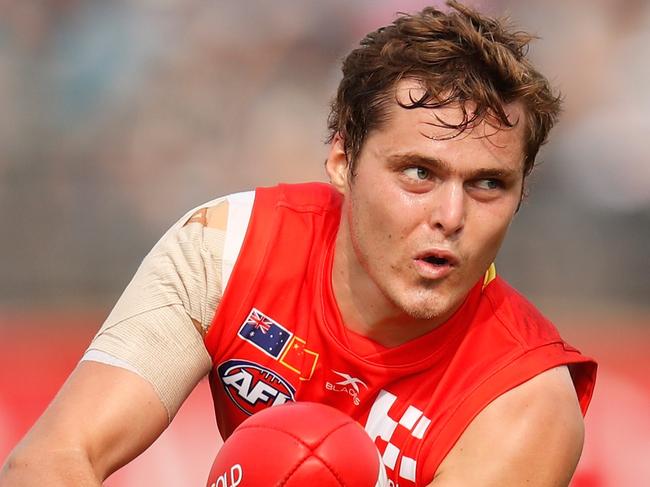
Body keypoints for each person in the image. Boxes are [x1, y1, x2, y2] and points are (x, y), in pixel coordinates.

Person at [1, 2, 597, 486]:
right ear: (343, 160)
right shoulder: (228, 247)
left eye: (488, 183)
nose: (451, 215)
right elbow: (50, 462)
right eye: (419, 172)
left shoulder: (525, 404)